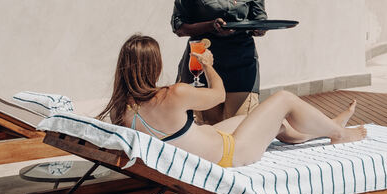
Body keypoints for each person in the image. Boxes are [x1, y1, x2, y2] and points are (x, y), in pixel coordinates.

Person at [100, 34, 364, 168]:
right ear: (155, 65)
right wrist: (208, 66)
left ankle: (327, 127)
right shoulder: (173, 94)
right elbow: (219, 95)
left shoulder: (121, 112)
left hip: (210, 142)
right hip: (231, 152)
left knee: (275, 123)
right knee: (284, 99)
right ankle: (339, 133)